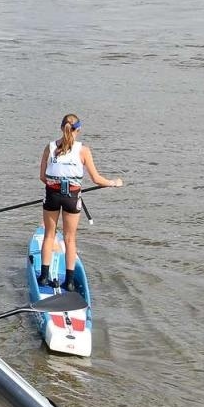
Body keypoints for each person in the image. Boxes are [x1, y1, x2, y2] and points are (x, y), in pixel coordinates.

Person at [38, 114, 123, 288]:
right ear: (79, 130)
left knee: (49, 235)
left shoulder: (50, 147)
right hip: (72, 197)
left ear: (62, 128)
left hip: (52, 195)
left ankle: (44, 278)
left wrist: (56, 186)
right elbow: (97, 179)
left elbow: (42, 177)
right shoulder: (83, 150)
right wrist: (114, 183)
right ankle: (69, 283)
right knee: (70, 239)